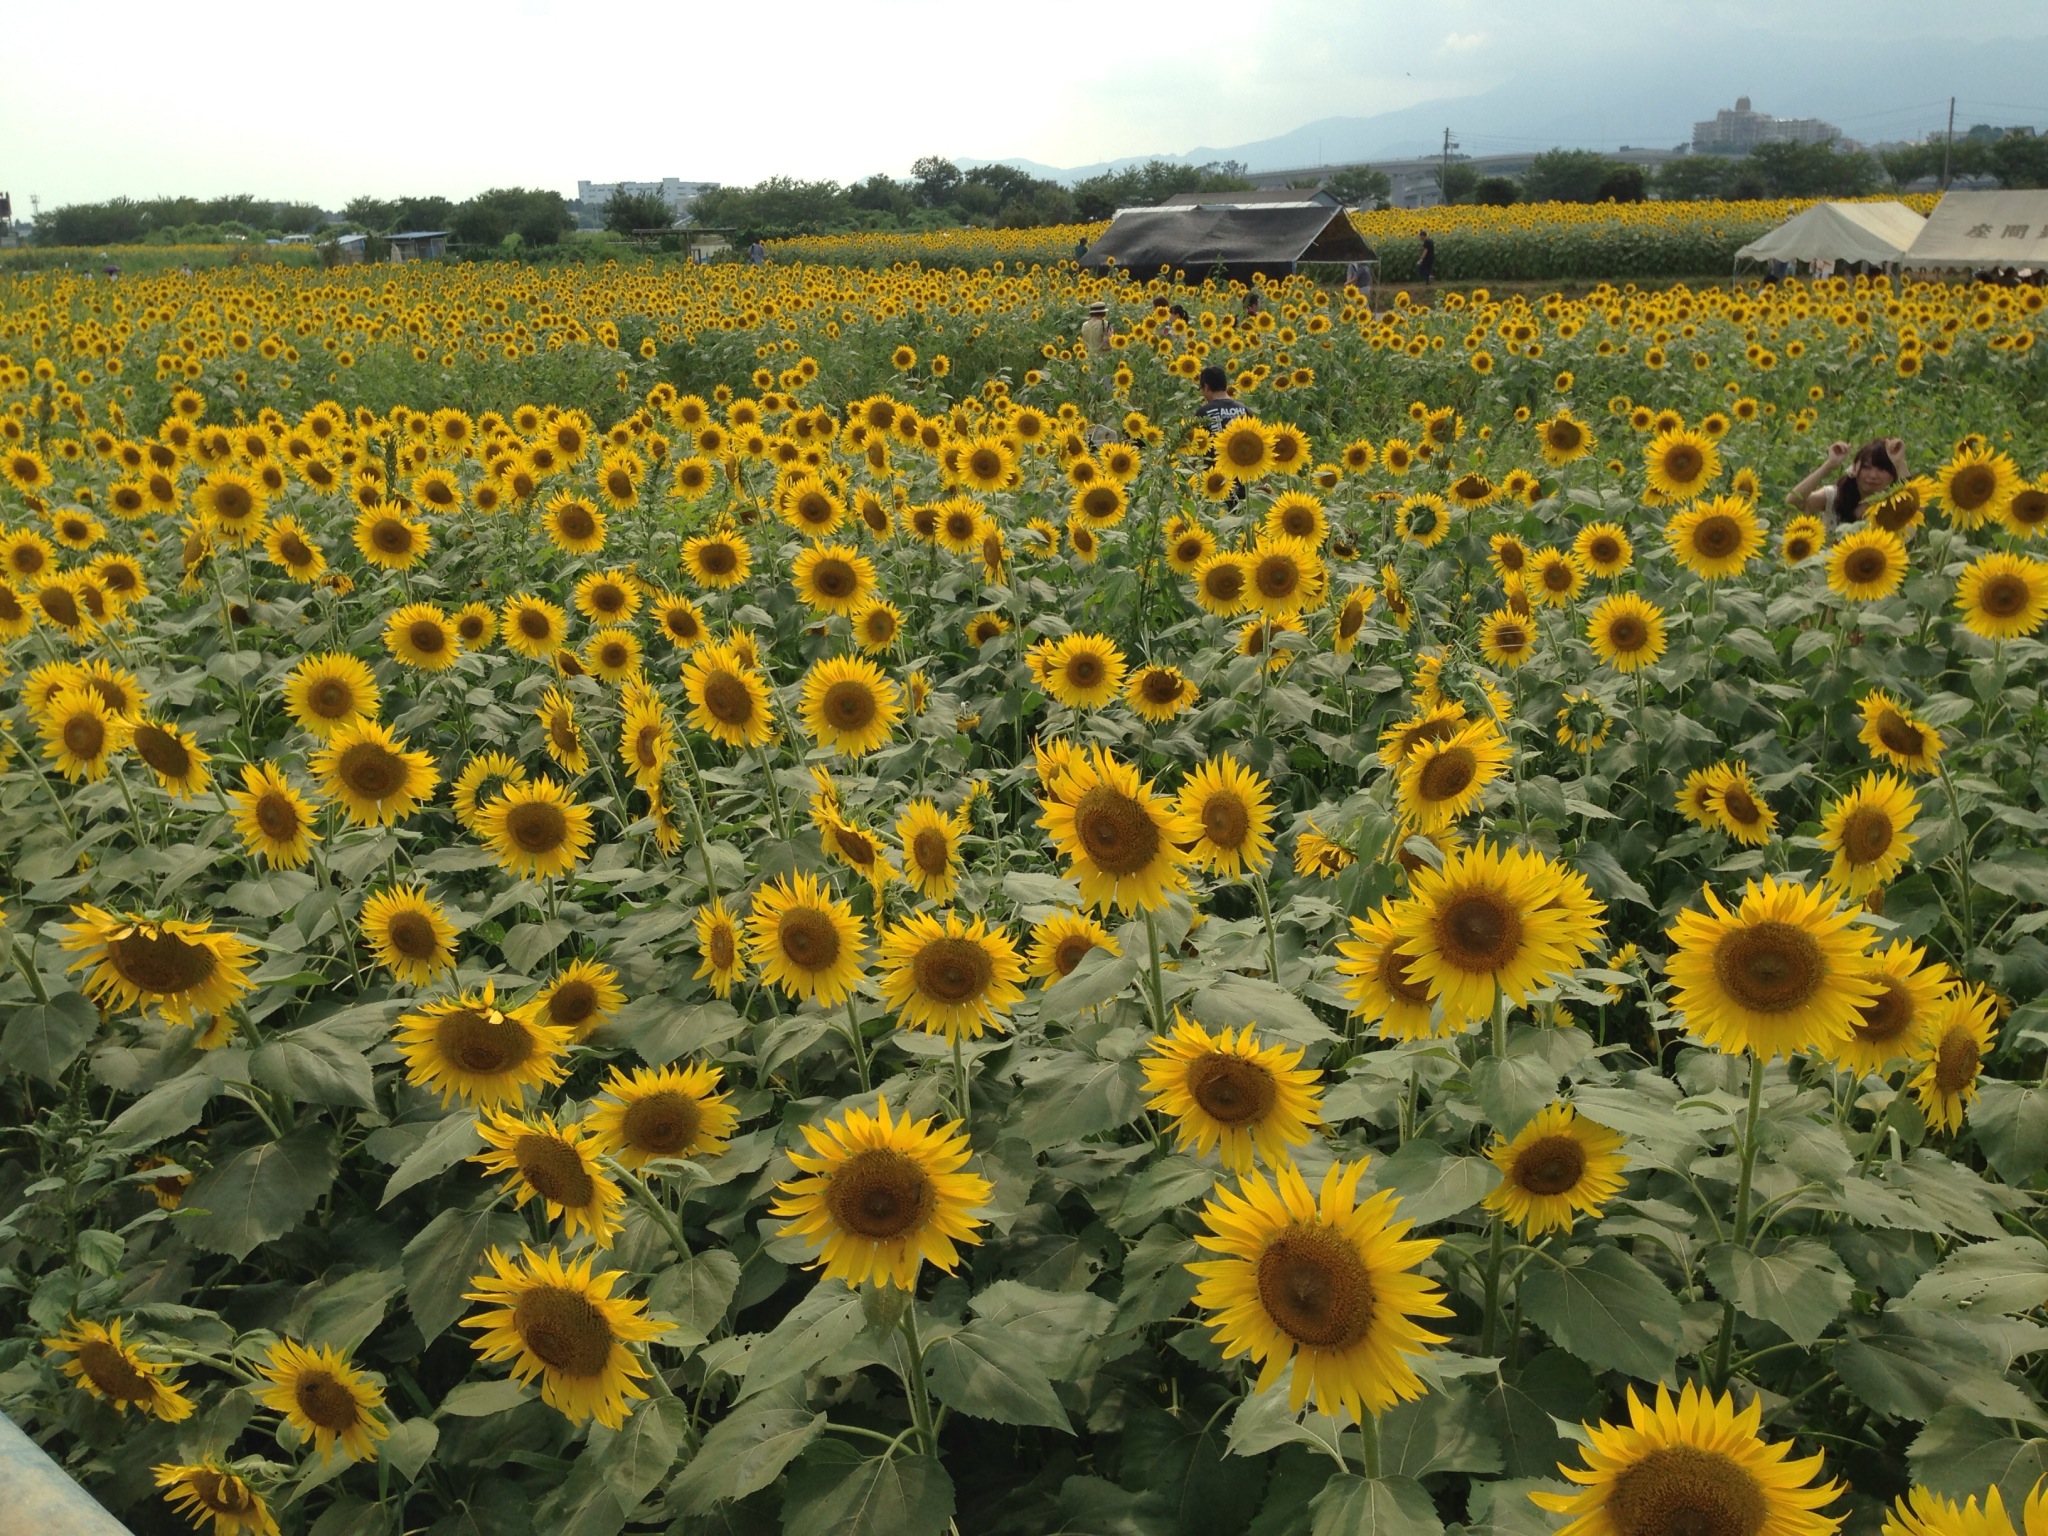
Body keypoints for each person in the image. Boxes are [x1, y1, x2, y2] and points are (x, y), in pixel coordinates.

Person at [1787, 438, 1907, 527]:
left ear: (1892, 476)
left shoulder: (1891, 508)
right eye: (1866, 467)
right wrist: (1829, 465)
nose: (1873, 475)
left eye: (1882, 469)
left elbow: (1914, 512)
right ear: (1854, 468)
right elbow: (1793, 501)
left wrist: (1900, 463)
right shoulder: (1835, 496)